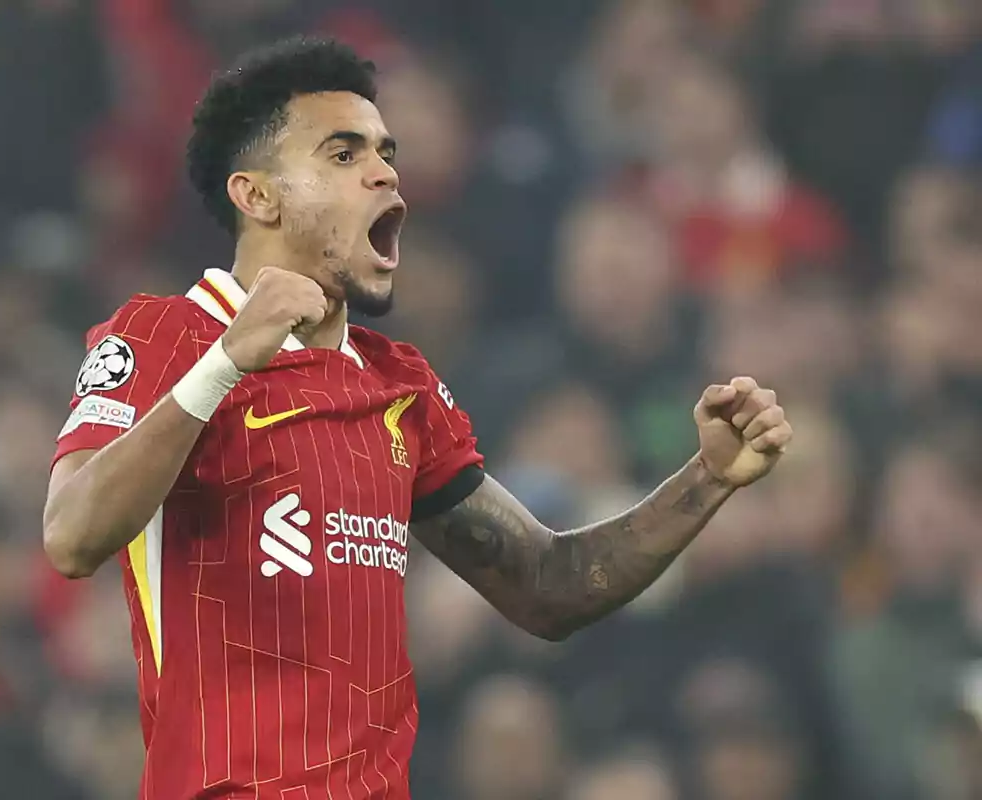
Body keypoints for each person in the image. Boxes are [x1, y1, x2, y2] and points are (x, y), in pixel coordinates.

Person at [42, 37, 794, 800]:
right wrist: (226, 365)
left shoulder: (400, 386)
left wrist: (706, 479)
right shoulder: (164, 337)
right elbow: (73, 535)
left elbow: (549, 584)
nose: (383, 172)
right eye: (342, 154)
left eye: (385, 152)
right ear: (258, 195)